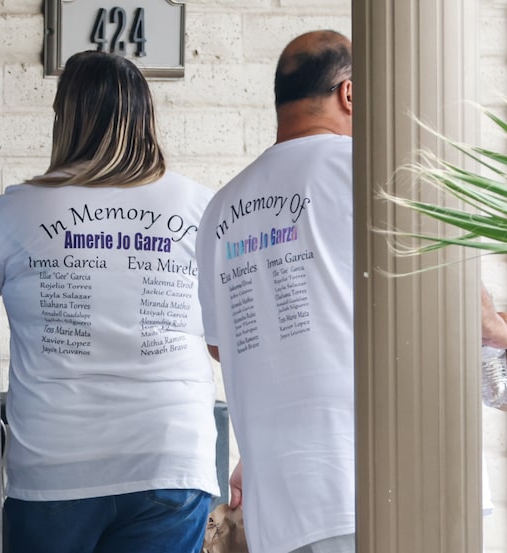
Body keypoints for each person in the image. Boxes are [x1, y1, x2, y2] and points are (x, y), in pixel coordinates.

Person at [0, 50, 220, 553]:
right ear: (145, 116)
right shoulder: (200, 206)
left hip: (56, 463)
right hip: (169, 453)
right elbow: (222, 333)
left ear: (65, 119)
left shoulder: (18, 209)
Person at [196, 31, 355, 553]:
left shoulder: (222, 208)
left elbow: (222, 345)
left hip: (275, 499)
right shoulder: (362, 170)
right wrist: (501, 328)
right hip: (365, 480)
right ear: (349, 93)